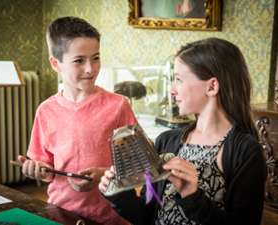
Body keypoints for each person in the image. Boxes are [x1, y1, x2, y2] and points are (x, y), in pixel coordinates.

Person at [99, 37, 266, 225]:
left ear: (211, 86)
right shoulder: (165, 141)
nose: (172, 90)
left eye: (179, 80)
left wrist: (192, 196)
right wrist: (119, 194)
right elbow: (146, 216)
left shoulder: (245, 151)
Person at [16, 16, 137, 225]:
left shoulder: (118, 106)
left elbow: (138, 164)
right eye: (79, 60)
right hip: (61, 214)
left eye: (96, 57)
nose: (90, 69)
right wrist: (36, 168)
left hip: (112, 217)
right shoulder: (45, 111)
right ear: (56, 64)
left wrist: (102, 175)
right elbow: (44, 164)